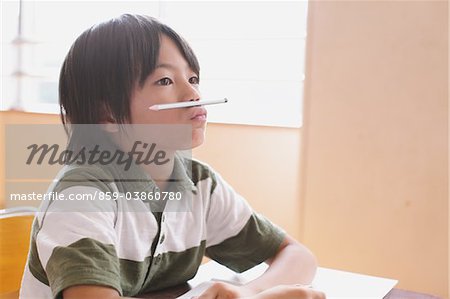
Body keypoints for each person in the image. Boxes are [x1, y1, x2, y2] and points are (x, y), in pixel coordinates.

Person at [19, 14, 325, 299]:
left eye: (192, 79)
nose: (194, 94)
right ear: (107, 115)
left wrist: (251, 293)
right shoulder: (80, 197)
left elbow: (297, 256)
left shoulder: (198, 184)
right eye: (165, 81)